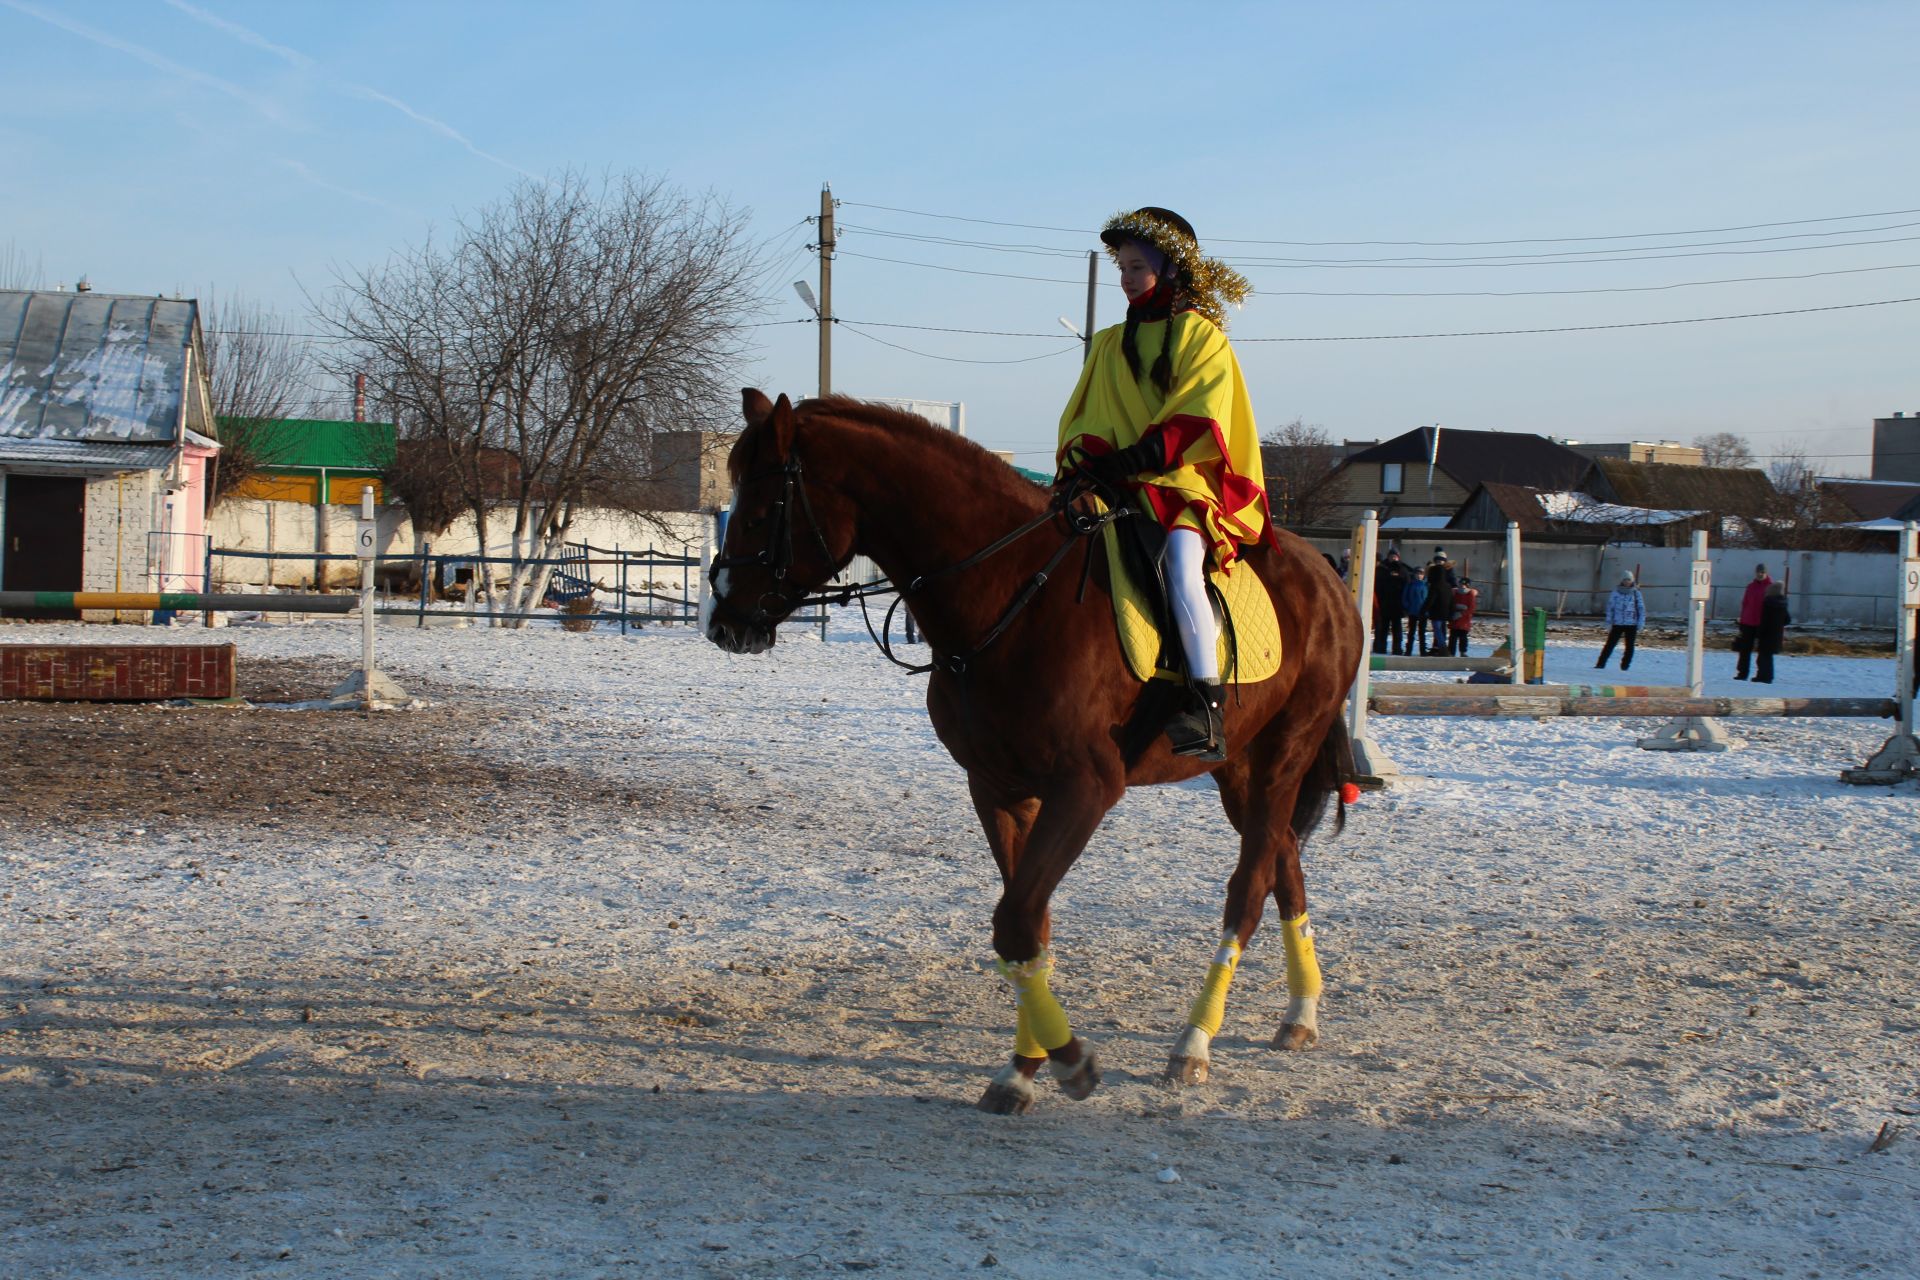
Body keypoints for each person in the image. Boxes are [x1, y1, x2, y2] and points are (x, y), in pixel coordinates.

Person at [1056, 207, 1262, 760]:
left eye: (1138, 266)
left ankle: (1205, 700)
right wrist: (1087, 462)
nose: (1126, 277)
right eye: (1122, 266)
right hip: (1115, 482)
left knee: (1178, 564)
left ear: (1171, 270)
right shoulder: (1105, 344)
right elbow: (1086, 415)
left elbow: (1199, 417)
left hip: (1180, 485)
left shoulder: (1202, 337)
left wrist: (1137, 459)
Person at [1597, 573, 1647, 671]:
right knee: (1610, 644)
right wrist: (1609, 621)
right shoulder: (1615, 592)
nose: (1627, 582)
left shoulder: (1636, 593)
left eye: (1629, 580)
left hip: (1631, 624)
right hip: (1617, 623)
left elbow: (1641, 609)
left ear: (1632, 581)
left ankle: (1625, 666)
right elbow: (1610, 608)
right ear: (1621, 581)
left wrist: (1641, 622)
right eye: (1625, 580)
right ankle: (1600, 664)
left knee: (1629, 646)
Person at [1732, 563, 1773, 680]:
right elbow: (1745, 603)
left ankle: (1762, 674)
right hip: (1748, 622)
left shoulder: (1770, 587)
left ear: (1766, 573)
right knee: (1744, 650)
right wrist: (1742, 618)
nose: (1760, 574)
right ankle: (1742, 673)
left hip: (1762, 623)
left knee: (1763, 651)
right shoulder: (1750, 586)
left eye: (1762, 572)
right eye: (1758, 572)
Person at [1754, 581, 1791, 683]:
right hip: (1777, 634)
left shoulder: (1768, 603)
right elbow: (1787, 620)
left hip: (1766, 634)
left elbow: (1764, 620)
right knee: (1768, 657)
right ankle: (1767, 676)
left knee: (1763, 657)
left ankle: (1763, 676)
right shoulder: (1783, 604)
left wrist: (1759, 632)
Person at [1374, 548, 1410, 654]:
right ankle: (1381, 647)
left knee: (1397, 629)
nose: (1393, 558)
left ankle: (1397, 648)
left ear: (1398, 557)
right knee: (1383, 628)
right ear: (1388, 557)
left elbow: (1407, 585)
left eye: (1395, 556)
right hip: (1384, 603)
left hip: (1397, 604)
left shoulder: (1403, 569)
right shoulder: (1382, 569)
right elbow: (1377, 585)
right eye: (1391, 556)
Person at [1423, 550, 1457, 655]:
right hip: (1445, 610)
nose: (1439, 562)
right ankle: (1438, 647)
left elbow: (1431, 598)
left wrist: (1424, 609)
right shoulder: (1447, 584)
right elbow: (1452, 599)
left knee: (1438, 630)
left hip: (1437, 610)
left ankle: (1442, 648)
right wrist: (1452, 611)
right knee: (1440, 630)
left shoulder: (1436, 582)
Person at [1449, 575, 1479, 655]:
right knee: (1453, 637)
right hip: (1455, 619)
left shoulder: (1470, 594)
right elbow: (1451, 603)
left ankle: (1463, 651)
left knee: (1463, 637)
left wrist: (1461, 613)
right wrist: (1454, 609)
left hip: (1464, 620)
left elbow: (1471, 608)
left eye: (1465, 585)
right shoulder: (1455, 593)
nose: (1462, 586)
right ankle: (1451, 653)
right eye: (1461, 584)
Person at [1401, 566, 1429, 649]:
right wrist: (1407, 606)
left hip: (1423, 612)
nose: (1419, 575)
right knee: (1411, 632)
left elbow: (1429, 598)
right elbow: (1405, 597)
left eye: (1421, 574)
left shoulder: (1426, 585)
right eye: (1417, 573)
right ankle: (1408, 649)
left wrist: (1428, 609)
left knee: (1422, 632)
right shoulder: (1410, 584)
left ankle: (1423, 650)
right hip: (1413, 611)